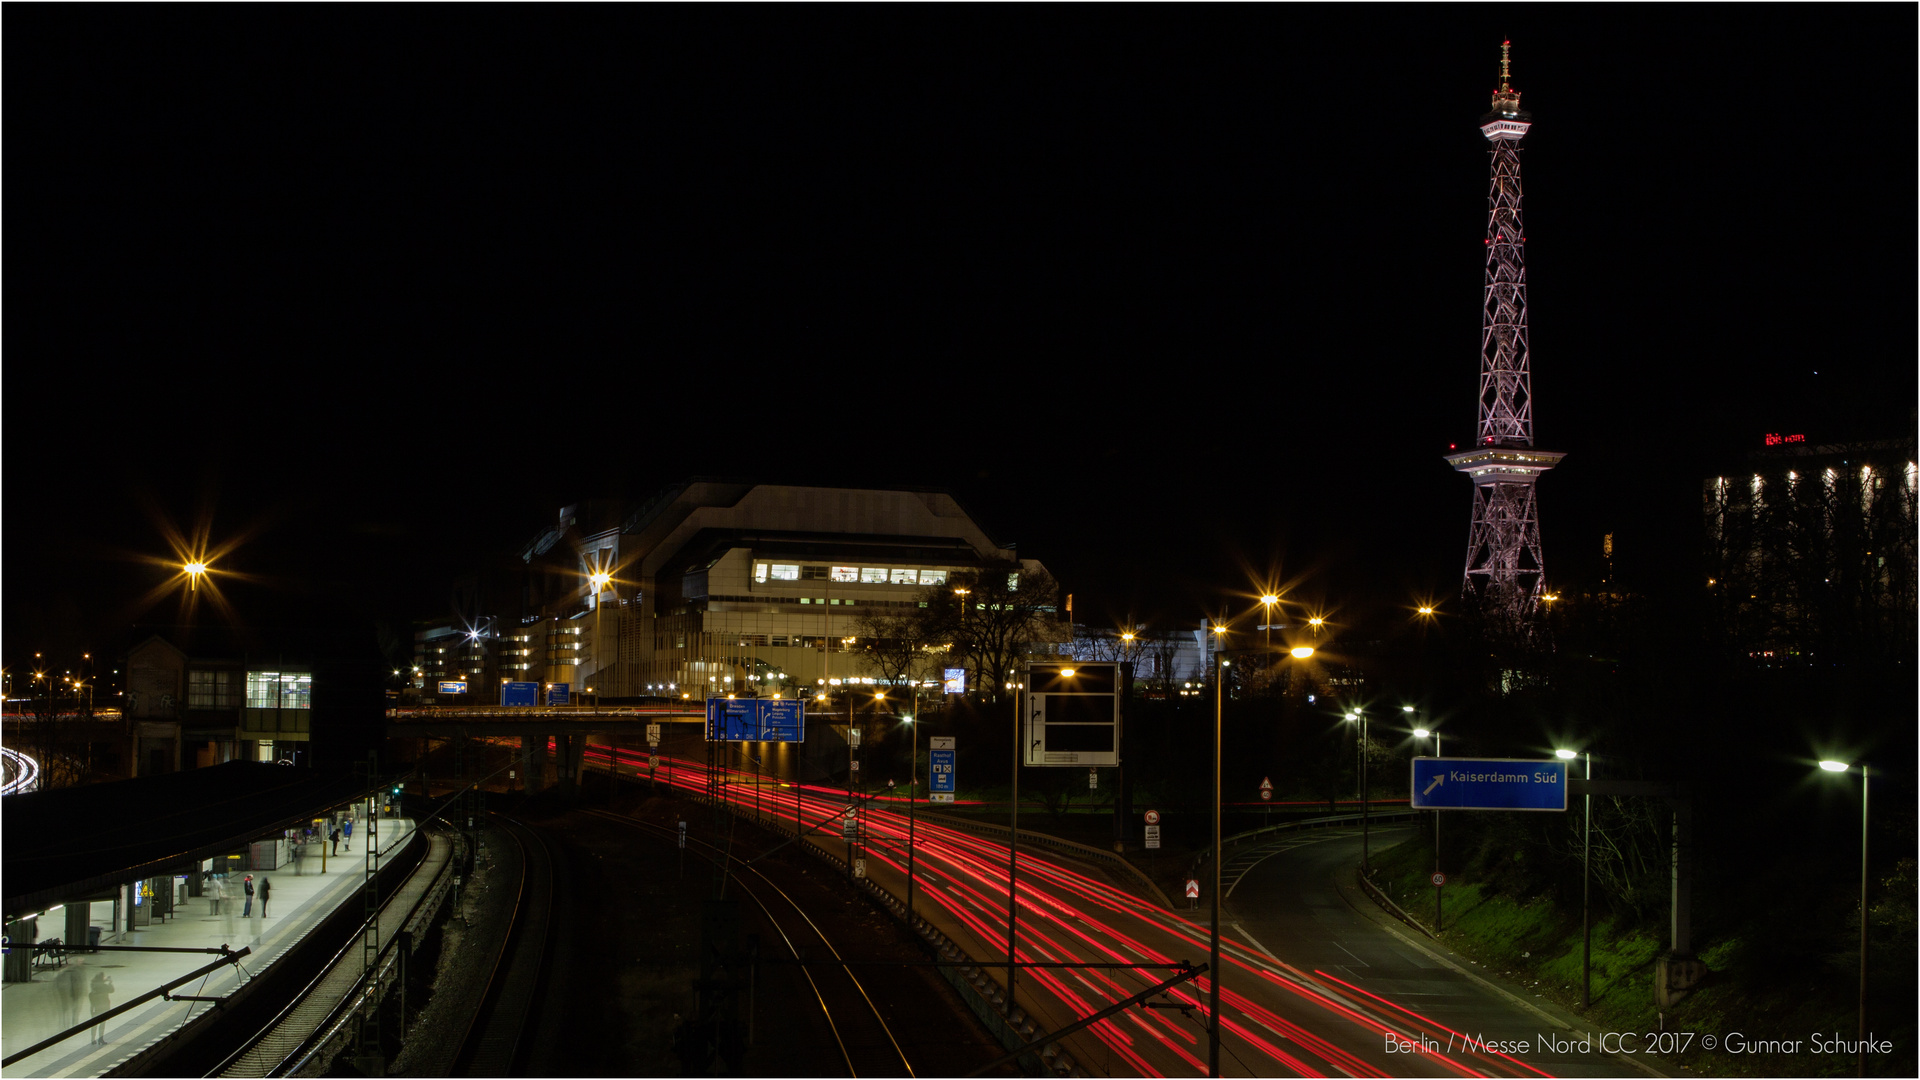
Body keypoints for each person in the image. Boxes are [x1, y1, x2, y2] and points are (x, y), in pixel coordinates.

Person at [89, 971, 114, 1043]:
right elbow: (112, 990)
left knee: (94, 1024)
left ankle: (93, 1039)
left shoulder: (93, 986)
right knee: (102, 1024)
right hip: (104, 1007)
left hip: (95, 1008)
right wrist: (110, 982)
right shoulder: (104, 986)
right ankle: (101, 1038)